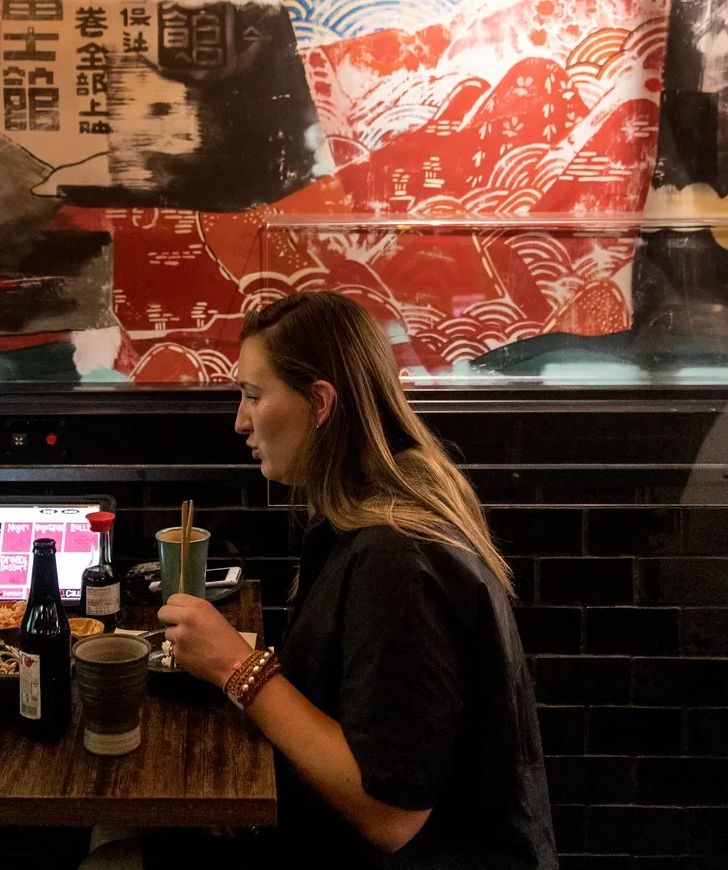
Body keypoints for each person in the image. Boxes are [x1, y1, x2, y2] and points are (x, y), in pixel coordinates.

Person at [140, 290, 556, 868]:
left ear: (321, 402)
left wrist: (236, 668)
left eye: (254, 396)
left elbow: (391, 816)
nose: (240, 421)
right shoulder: (365, 514)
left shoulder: (397, 558)